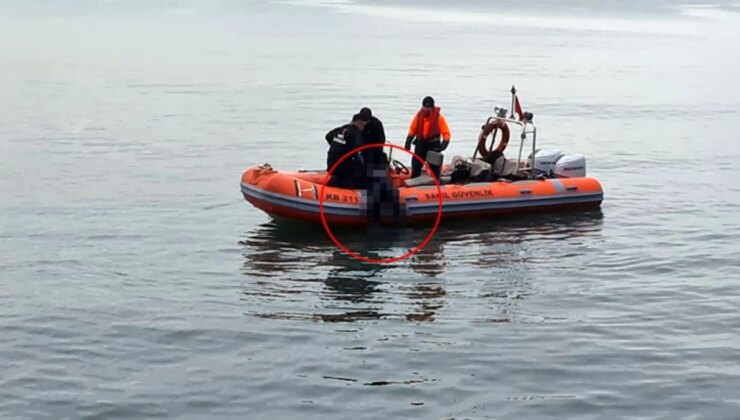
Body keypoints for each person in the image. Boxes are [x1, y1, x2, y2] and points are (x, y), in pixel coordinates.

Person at [404, 96, 451, 179]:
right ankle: (414, 183)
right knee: (416, 165)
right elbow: (412, 129)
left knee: (435, 169)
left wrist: (443, 146)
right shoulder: (418, 116)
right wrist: (408, 141)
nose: (426, 109)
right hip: (420, 145)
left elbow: (446, 133)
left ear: (432, 108)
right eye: (424, 107)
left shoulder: (439, 118)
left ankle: (437, 184)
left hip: (433, 147)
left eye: (428, 107)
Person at [325, 113, 369, 189]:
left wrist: (338, 146)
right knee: (357, 176)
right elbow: (357, 152)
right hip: (342, 167)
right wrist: (364, 167)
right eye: (363, 126)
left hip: (331, 163)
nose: (363, 129)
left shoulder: (342, 129)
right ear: (359, 122)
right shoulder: (354, 133)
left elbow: (328, 136)